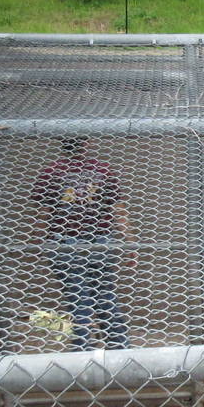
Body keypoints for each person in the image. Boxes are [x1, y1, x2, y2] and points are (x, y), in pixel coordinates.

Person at [32, 137, 133, 351]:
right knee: (105, 293)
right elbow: (118, 210)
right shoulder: (103, 170)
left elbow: (44, 213)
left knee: (78, 296)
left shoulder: (51, 172)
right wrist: (129, 241)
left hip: (64, 240)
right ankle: (119, 345)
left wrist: (38, 243)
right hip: (100, 239)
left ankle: (82, 348)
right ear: (86, 143)